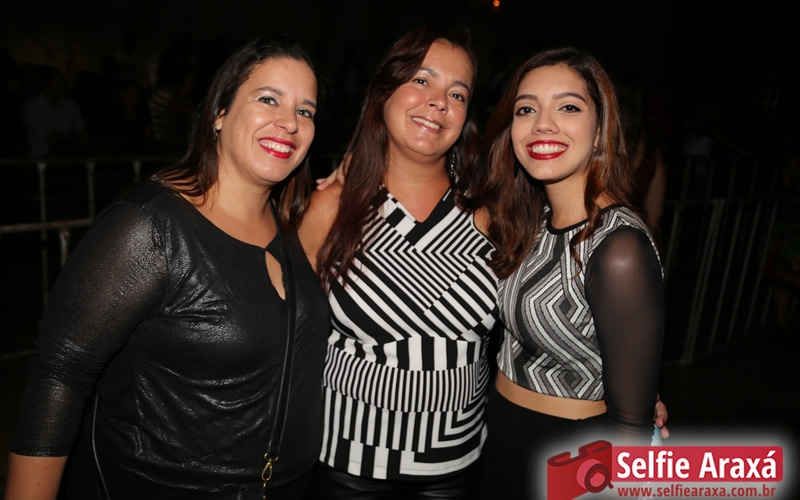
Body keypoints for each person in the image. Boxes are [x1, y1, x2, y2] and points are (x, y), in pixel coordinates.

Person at [7, 36, 330, 500]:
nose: (290, 122)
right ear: (219, 112)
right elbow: (60, 372)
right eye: (268, 99)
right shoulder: (150, 225)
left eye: (305, 110)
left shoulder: (291, 229)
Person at [299, 26, 496, 499]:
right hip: (348, 462)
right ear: (384, 89)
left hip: (457, 462)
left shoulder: (487, 211)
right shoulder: (332, 208)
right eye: (421, 80)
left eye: (457, 94)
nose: (438, 102)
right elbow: (288, 329)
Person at [478, 48, 664, 499]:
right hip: (499, 434)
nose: (543, 124)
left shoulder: (618, 248)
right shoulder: (531, 219)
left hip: (569, 452)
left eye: (568, 108)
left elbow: (631, 425)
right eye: (526, 109)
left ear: (600, 132)